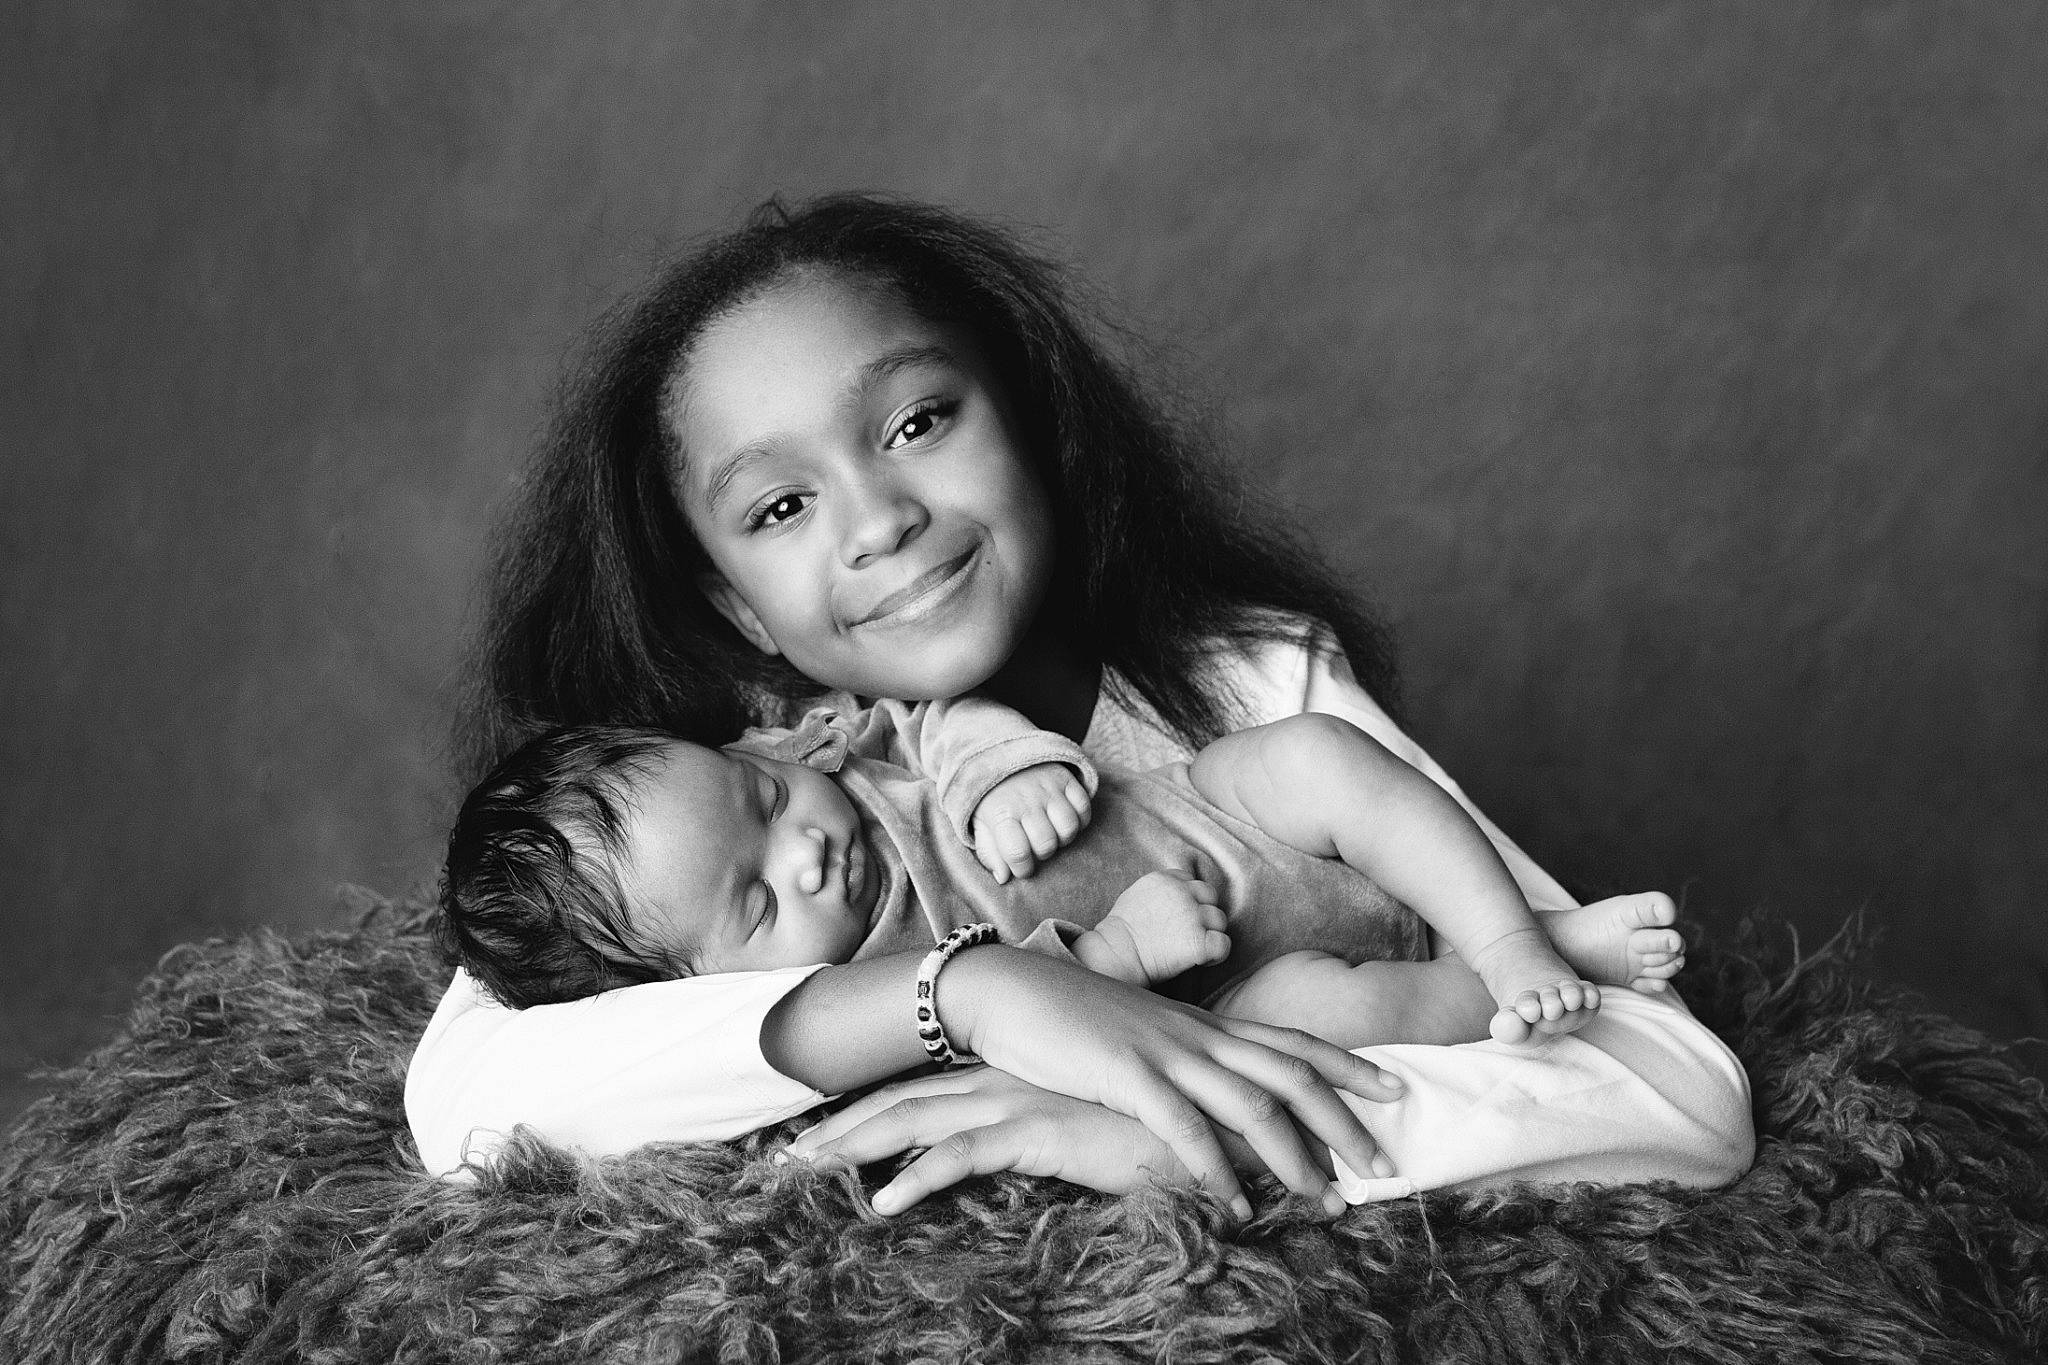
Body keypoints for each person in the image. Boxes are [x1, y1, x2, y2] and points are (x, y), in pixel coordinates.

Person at [406, 192, 1752, 1217]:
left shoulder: (1248, 681)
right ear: (741, 611)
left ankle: (1536, 938)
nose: (879, 522)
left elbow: (1681, 1096)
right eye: (782, 505)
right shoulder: (688, 791)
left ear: (1035, 423)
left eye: (918, 422)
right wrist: (968, 993)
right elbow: (464, 1102)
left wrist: (1181, 1129)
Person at [438, 700, 1687, 1055]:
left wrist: (1002, 773)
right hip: (1239, 981)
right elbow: (997, 1029)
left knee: (1308, 756)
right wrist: (1117, 959)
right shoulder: (870, 987)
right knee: (1329, 1014)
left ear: (765, 747)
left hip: (1218, 813)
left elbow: (939, 723)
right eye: (758, 899)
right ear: (700, 992)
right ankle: (1517, 980)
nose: (807, 845)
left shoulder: (848, 751)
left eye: (763, 803)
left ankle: (1518, 934)